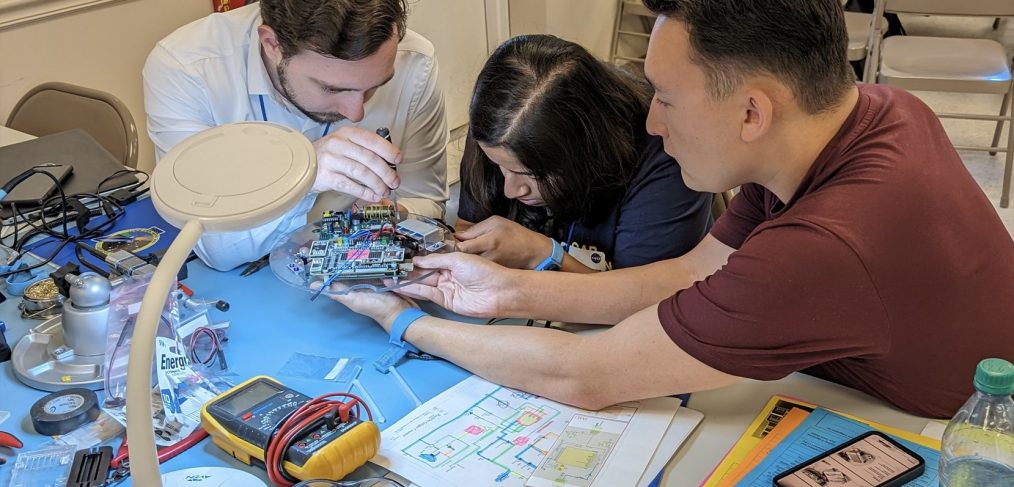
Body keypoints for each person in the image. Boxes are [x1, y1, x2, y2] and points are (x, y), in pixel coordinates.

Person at [332, 0, 1014, 419]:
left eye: (666, 97)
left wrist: (405, 320)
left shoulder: (824, 250)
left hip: (952, 436)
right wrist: (510, 288)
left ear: (752, 111)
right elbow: (691, 275)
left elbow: (586, 375)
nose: (651, 123)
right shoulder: (868, 111)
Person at [143, 0, 448, 271]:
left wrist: (396, 214)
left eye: (376, 86)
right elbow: (212, 246)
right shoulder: (186, 69)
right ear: (271, 44)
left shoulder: (415, 64)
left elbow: (426, 201)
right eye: (332, 88)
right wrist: (301, 178)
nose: (356, 113)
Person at [455, 35, 712, 273]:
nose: (511, 190)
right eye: (498, 165)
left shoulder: (665, 160)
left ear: (586, 149)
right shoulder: (497, 132)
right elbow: (468, 227)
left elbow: (641, 302)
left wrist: (541, 254)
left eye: (530, 173)